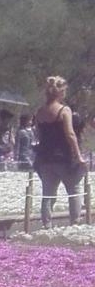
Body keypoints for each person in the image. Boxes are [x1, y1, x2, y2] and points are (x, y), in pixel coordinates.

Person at [33, 76, 87, 226]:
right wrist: (79, 155)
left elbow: (38, 134)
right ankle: (75, 223)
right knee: (74, 190)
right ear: (60, 92)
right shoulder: (64, 110)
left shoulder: (39, 112)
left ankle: (46, 224)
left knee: (48, 194)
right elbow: (70, 134)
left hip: (45, 157)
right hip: (63, 157)